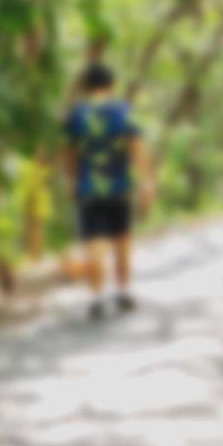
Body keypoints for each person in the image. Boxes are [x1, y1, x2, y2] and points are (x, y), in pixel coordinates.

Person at [62, 62, 155, 320]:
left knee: (95, 243)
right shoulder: (123, 111)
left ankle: (97, 298)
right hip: (119, 187)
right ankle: (123, 291)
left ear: (86, 86)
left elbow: (68, 152)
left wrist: (70, 179)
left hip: (89, 188)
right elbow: (136, 147)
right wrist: (146, 182)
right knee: (122, 241)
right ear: (111, 85)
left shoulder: (75, 114)